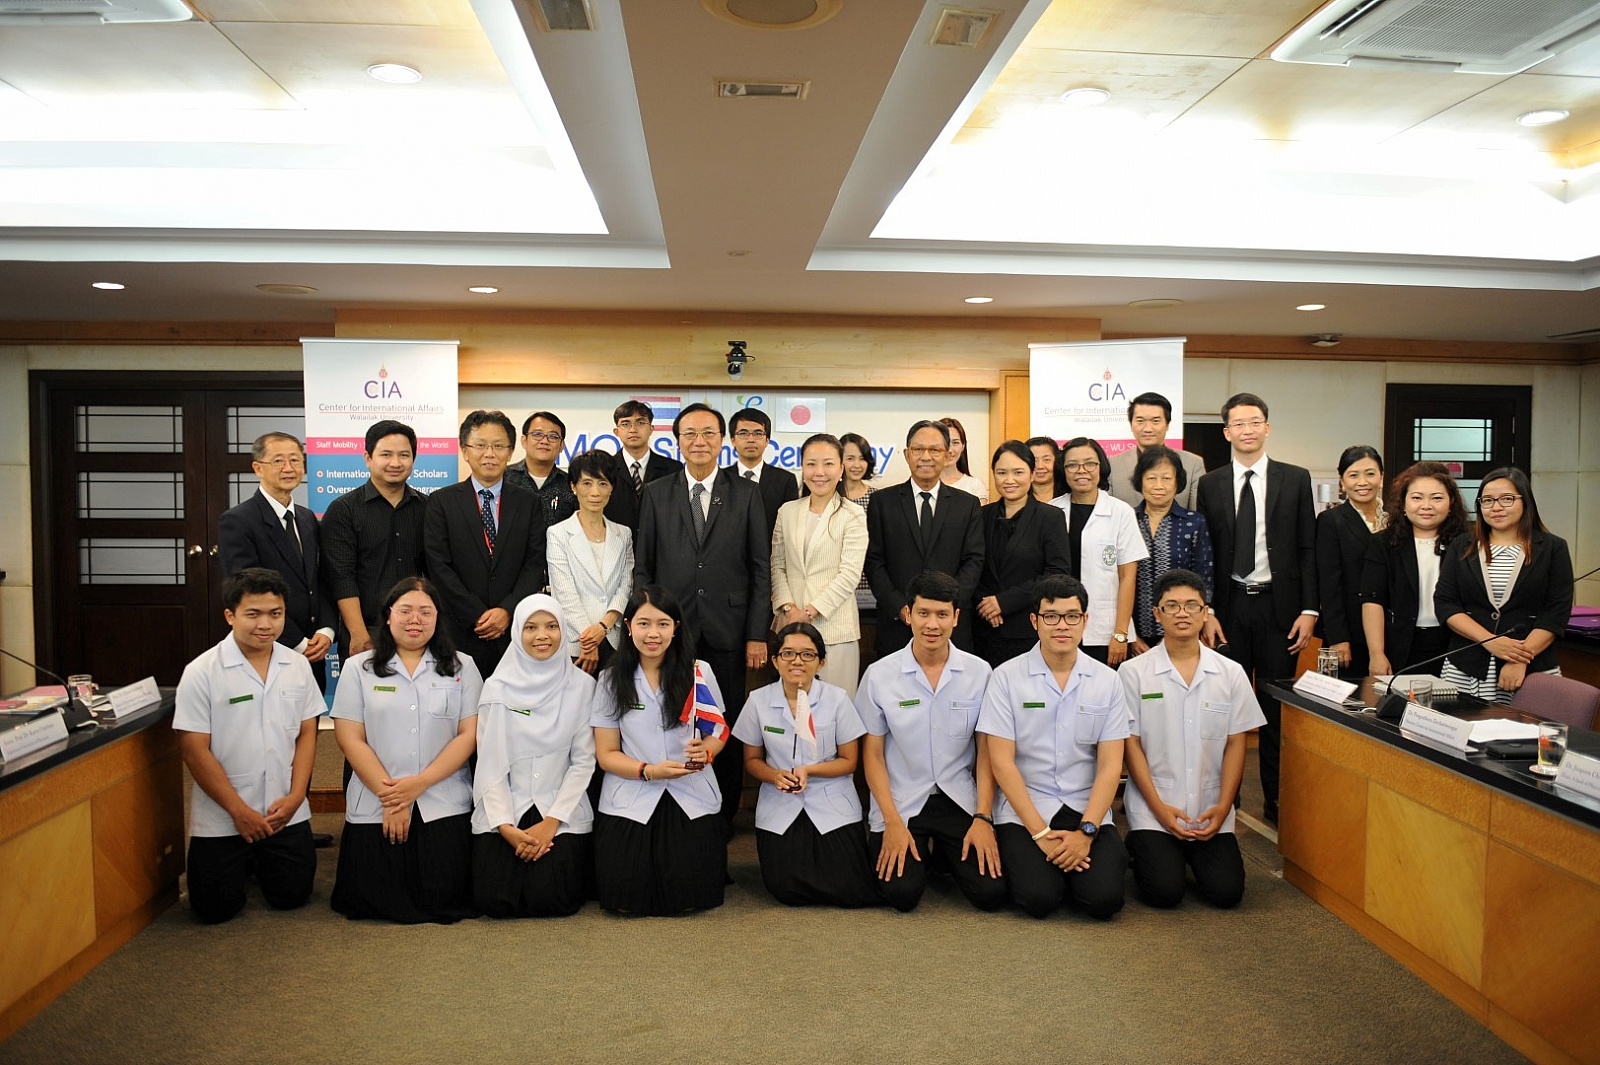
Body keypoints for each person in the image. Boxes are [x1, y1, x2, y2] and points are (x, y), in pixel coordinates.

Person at [634, 402, 770, 823]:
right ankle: (678, 813)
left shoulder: (746, 492)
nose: (699, 441)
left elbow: (759, 568)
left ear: (722, 440)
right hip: (672, 634)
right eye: (689, 433)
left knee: (721, 725)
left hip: (728, 631)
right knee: (672, 723)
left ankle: (721, 818)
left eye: (708, 433)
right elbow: (645, 567)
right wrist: (648, 627)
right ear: (677, 440)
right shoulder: (657, 492)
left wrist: (756, 633)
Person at [1193, 393, 1317, 825]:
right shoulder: (1210, 484)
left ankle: (1276, 801)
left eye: (1254, 422)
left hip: (1279, 610)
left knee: (1275, 708)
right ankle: (1224, 798)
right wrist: (1207, 610)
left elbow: (1307, 547)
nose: (1247, 430)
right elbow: (1205, 551)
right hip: (1227, 610)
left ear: (1267, 427)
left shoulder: (1295, 478)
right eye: (1238, 424)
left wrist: (1309, 609)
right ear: (1226, 432)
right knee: (1221, 708)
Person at [330, 577, 483, 923]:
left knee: (443, 893)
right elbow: (350, 738)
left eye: (425, 612)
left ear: (437, 618)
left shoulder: (463, 666)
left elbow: (468, 735)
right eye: (406, 611)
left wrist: (419, 784)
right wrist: (393, 798)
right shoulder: (359, 668)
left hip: (440, 796)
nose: (415, 620)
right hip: (377, 797)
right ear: (387, 616)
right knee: (373, 897)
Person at [174, 567, 320, 923]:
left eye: (275, 613)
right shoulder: (202, 672)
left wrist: (296, 796)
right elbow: (194, 750)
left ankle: (260, 860)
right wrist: (238, 811)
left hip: (283, 809)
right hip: (225, 812)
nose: (265, 624)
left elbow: (307, 732)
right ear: (230, 615)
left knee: (292, 897)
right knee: (213, 911)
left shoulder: (297, 666)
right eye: (253, 614)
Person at [855, 571, 1005, 913]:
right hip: (902, 799)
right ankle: (928, 854)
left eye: (942, 614)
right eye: (923, 613)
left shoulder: (980, 672)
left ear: (956, 617)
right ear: (908, 614)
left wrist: (983, 818)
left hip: (958, 797)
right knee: (900, 894)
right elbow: (873, 755)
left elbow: (986, 751)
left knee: (990, 893)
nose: (932, 624)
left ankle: (942, 858)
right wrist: (892, 822)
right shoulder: (879, 675)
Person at [980, 574, 1128, 920]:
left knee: (1104, 901)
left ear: (1085, 620)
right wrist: (1040, 833)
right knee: (1038, 899)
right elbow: (1002, 763)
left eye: (1071, 616)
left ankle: (1077, 869)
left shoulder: (1107, 681)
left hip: (1084, 805)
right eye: (1051, 616)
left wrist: (1087, 833)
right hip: (1026, 808)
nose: (1062, 625)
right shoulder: (1005, 677)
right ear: (1035, 621)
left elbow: (1110, 766)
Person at [1118, 569, 1265, 909]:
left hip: (1209, 808)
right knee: (1164, 893)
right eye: (1172, 606)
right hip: (1155, 805)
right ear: (1157, 614)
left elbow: (1236, 743)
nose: (1182, 613)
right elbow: (1131, 745)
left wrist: (1224, 807)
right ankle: (1141, 845)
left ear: (1205, 613)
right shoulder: (1133, 672)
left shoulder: (1230, 672)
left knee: (1226, 894)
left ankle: (1185, 853)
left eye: (1191, 605)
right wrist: (1158, 809)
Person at [591, 586, 728, 915]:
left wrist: (707, 752)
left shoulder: (698, 672)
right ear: (628, 627)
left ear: (676, 628)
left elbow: (718, 731)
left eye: (663, 624)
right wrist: (648, 771)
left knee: (690, 894)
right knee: (625, 897)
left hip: (689, 788)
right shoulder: (610, 679)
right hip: (633, 788)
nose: (653, 633)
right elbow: (606, 754)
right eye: (644, 623)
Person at [733, 622, 878, 907]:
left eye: (807, 654)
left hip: (830, 798)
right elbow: (751, 761)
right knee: (785, 890)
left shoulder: (837, 699)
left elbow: (849, 761)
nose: (797, 661)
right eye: (788, 653)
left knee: (850, 888)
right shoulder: (758, 701)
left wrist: (809, 770)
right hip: (780, 800)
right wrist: (775, 775)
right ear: (775, 660)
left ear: (821, 662)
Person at [470, 594, 596, 918]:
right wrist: (505, 826)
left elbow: (583, 762)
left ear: (563, 630)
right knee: (495, 900)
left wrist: (551, 823)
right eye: (531, 627)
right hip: (506, 807)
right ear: (517, 633)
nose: (542, 636)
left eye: (552, 626)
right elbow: (489, 764)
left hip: (559, 808)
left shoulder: (583, 686)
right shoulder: (496, 687)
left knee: (551, 899)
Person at [423, 410, 548, 677]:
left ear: (510, 451)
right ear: (465, 451)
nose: (489, 454)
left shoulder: (529, 503)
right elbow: (438, 566)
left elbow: (535, 563)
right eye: (480, 445)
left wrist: (507, 610)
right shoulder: (441, 502)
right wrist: (476, 614)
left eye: (498, 446)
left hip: (513, 631)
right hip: (459, 630)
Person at [1436, 467, 1574, 704]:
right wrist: (1491, 642)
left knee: (1529, 727)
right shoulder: (1462, 545)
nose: (1496, 507)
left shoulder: (1553, 548)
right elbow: (1446, 603)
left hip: (1530, 667)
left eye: (1507, 499)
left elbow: (1555, 613)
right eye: (1487, 500)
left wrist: (1519, 659)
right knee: (1459, 725)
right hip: (1466, 665)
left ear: (1525, 501)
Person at [217, 431, 334, 687]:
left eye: (295, 460)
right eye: (278, 461)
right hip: (268, 647)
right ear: (258, 468)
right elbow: (246, 591)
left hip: (314, 648)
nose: (288, 468)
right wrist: (297, 642)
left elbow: (320, 578)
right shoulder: (238, 521)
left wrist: (326, 630)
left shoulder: (306, 518)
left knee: (310, 711)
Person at [864, 419, 985, 656]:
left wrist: (946, 608)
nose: (926, 456)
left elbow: (974, 560)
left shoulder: (967, 504)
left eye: (935, 450)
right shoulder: (882, 502)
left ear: (947, 455)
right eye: (918, 449)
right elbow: (873, 560)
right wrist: (900, 606)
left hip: (952, 628)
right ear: (907, 454)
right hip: (898, 625)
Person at [320, 419, 427, 661]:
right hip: (366, 630)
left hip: (417, 629)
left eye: (404, 455)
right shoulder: (344, 510)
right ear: (368, 458)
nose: (395, 463)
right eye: (386, 454)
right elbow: (341, 577)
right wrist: (358, 633)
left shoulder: (427, 507)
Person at [771, 433, 868, 695]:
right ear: (802, 468)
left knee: (835, 707)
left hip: (835, 629)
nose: (819, 472)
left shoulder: (852, 514)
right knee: (792, 705)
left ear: (841, 469)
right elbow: (777, 565)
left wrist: (810, 611)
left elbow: (849, 574)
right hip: (790, 627)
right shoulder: (787, 511)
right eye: (811, 464)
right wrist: (789, 609)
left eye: (828, 464)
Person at [1360, 462, 1469, 678]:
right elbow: (1373, 601)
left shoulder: (1467, 544)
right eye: (1417, 498)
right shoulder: (1383, 543)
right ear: (1403, 503)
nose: (1426, 506)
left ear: (1451, 503)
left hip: (1455, 644)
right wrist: (1377, 654)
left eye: (1436, 498)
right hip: (1400, 645)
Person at [974, 440, 1071, 668]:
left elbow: (1057, 573)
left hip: (1028, 628)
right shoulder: (980, 515)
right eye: (1001, 473)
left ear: (1031, 474)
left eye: (1018, 472)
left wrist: (1004, 602)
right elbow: (970, 564)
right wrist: (986, 605)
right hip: (983, 628)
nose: (1009, 480)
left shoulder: (1050, 517)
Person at [1052, 437, 1146, 666]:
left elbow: (1127, 577)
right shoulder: (1051, 510)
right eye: (1072, 465)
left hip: (1105, 629)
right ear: (1063, 470)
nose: (1081, 470)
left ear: (1100, 467)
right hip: (1058, 625)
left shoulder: (1121, 512)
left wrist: (1121, 633)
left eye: (1089, 463)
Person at [546, 450, 633, 675]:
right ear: (573, 486)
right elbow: (564, 592)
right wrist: (589, 639)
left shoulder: (623, 534)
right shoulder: (558, 533)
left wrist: (604, 626)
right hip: (577, 644)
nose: (595, 492)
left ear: (611, 488)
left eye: (603, 483)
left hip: (614, 640)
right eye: (587, 483)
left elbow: (625, 586)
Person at [1131, 445, 1214, 655]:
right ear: (1140, 482)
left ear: (1178, 483)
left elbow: (1204, 579)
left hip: (1182, 631)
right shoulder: (1126, 520)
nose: (1159, 485)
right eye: (1151, 478)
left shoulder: (1194, 523)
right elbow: (1115, 582)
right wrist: (1128, 634)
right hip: (1133, 633)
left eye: (1166, 478)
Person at [1316, 445, 1385, 678]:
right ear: (1342, 482)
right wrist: (1338, 637)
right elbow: (1329, 584)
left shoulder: (1396, 519)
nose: (1362, 482)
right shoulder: (1331, 521)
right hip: (1349, 633)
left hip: (1389, 632)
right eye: (1353, 475)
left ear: (1381, 477)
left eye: (1370, 474)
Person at [1106, 392, 1206, 511]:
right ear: (1131, 425)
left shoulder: (1193, 464)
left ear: (1167, 425)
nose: (1148, 428)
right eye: (1140, 421)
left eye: (1155, 421)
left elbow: (1197, 514)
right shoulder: (1112, 465)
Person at [604, 399, 683, 531]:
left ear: (651, 429)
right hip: (616, 541)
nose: (633, 429)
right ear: (616, 431)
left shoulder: (673, 469)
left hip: (658, 542)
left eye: (640, 422)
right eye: (625, 424)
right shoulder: (605, 469)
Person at [726, 406, 799, 538]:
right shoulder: (720, 478)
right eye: (743, 433)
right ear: (733, 440)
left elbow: (790, 528)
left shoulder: (785, 480)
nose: (751, 439)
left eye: (758, 433)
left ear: (767, 441)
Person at [503, 410, 579, 528]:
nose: (544, 441)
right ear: (524, 441)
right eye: (537, 434)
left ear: (561, 446)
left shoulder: (571, 484)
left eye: (553, 436)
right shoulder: (503, 477)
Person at [841, 431, 878, 620]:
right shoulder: (829, 498)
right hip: (836, 589)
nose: (857, 465)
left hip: (871, 588)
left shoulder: (878, 498)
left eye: (862, 458)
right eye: (850, 458)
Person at [938, 416, 990, 503]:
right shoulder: (923, 485)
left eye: (955, 443)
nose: (950, 450)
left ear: (963, 446)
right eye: (944, 442)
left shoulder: (975, 485)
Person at [1027, 436, 1066, 503]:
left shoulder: (1069, 495)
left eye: (1046, 460)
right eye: (1034, 460)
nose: (1040, 466)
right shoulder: (1018, 497)